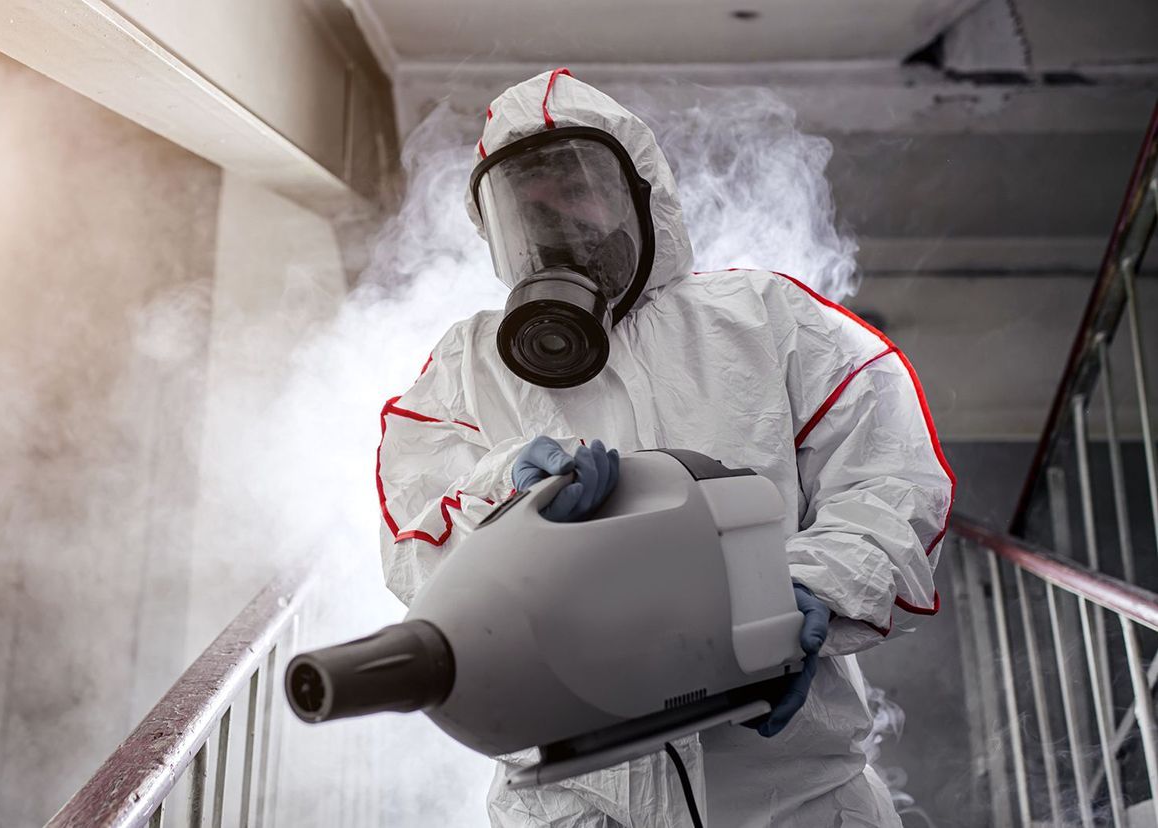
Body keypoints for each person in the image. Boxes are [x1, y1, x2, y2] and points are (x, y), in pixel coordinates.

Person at [375, 68, 954, 827]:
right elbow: (419, 543)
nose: (555, 224)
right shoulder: (465, 367)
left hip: (794, 796)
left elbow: (892, 482)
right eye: (527, 206)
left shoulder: (767, 320)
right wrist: (507, 502)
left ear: (641, 195)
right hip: (573, 800)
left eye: (576, 188)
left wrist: (801, 593)